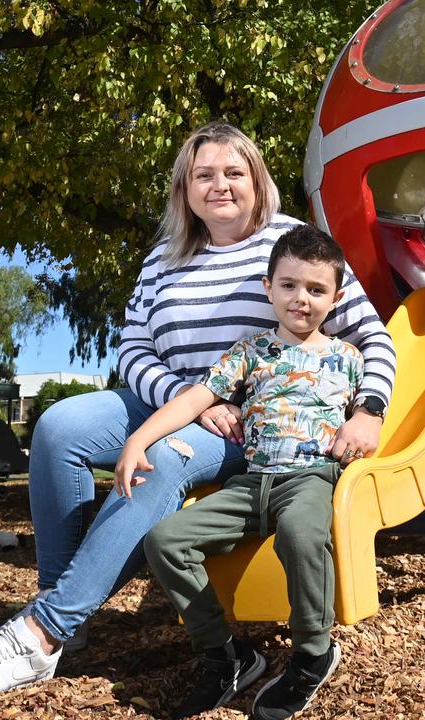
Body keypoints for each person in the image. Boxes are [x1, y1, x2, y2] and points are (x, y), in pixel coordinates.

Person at [0, 122, 396, 693]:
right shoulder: (163, 258)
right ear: (185, 188)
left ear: (256, 179)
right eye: (203, 175)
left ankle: (41, 633)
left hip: (244, 419)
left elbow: (373, 338)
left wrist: (368, 410)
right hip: (172, 397)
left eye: (232, 173)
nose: (218, 186)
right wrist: (180, 399)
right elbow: (133, 348)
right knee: (57, 426)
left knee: (162, 460)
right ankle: (63, 604)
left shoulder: (291, 244)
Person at [127, 225, 364, 719]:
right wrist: (138, 439)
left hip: (310, 479)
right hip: (252, 483)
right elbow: (194, 398)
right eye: (290, 286)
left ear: (336, 297)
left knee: (300, 535)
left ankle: (313, 653)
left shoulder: (348, 358)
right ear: (269, 287)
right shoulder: (249, 352)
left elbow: (371, 420)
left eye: (316, 290)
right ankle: (225, 655)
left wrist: (368, 426)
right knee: (165, 541)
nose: (302, 299)